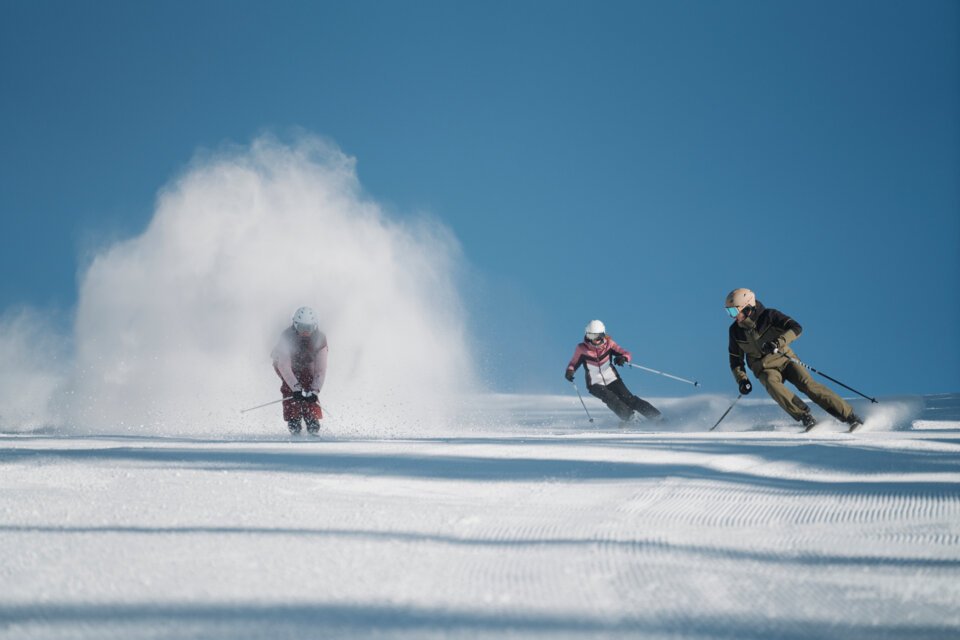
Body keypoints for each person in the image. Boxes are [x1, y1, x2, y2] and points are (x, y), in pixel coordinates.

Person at [725, 288, 863, 432]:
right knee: (772, 384)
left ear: (747, 307)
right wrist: (742, 380)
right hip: (765, 368)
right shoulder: (735, 331)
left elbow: (796, 328)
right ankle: (805, 417)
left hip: (785, 360)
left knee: (808, 386)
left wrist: (777, 343)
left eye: (734, 312)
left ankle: (850, 417)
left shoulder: (769, 316)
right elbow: (735, 360)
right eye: (729, 312)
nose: (732, 316)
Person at [565, 320, 661, 424]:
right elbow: (573, 363)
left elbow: (626, 353)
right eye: (591, 336)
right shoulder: (582, 349)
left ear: (603, 335)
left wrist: (623, 358)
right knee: (610, 398)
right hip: (594, 383)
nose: (595, 340)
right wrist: (570, 371)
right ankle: (630, 419)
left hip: (612, 378)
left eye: (598, 336)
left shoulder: (609, 344)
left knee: (629, 399)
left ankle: (657, 417)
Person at [271, 306, 328, 435]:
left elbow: (321, 369)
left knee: (308, 382)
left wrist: (314, 391)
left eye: (309, 328)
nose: (305, 332)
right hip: (285, 363)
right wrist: (296, 388)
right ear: (295, 325)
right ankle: (294, 418)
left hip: (308, 363)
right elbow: (284, 365)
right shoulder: (286, 336)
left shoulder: (320, 339)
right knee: (290, 388)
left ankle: (312, 418)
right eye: (302, 328)